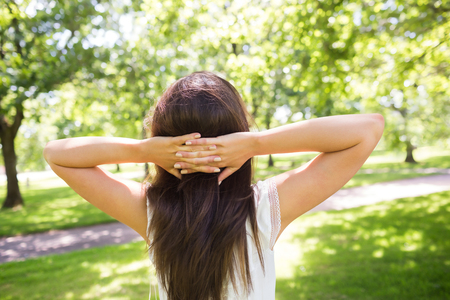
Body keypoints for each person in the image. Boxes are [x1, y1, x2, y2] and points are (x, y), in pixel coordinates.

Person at [44, 71, 384, 300]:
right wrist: (256, 143)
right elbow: (367, 129)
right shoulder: (264, 208)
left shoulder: (151, 211)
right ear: (237, 130)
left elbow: (57, 154)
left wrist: (142, 151)